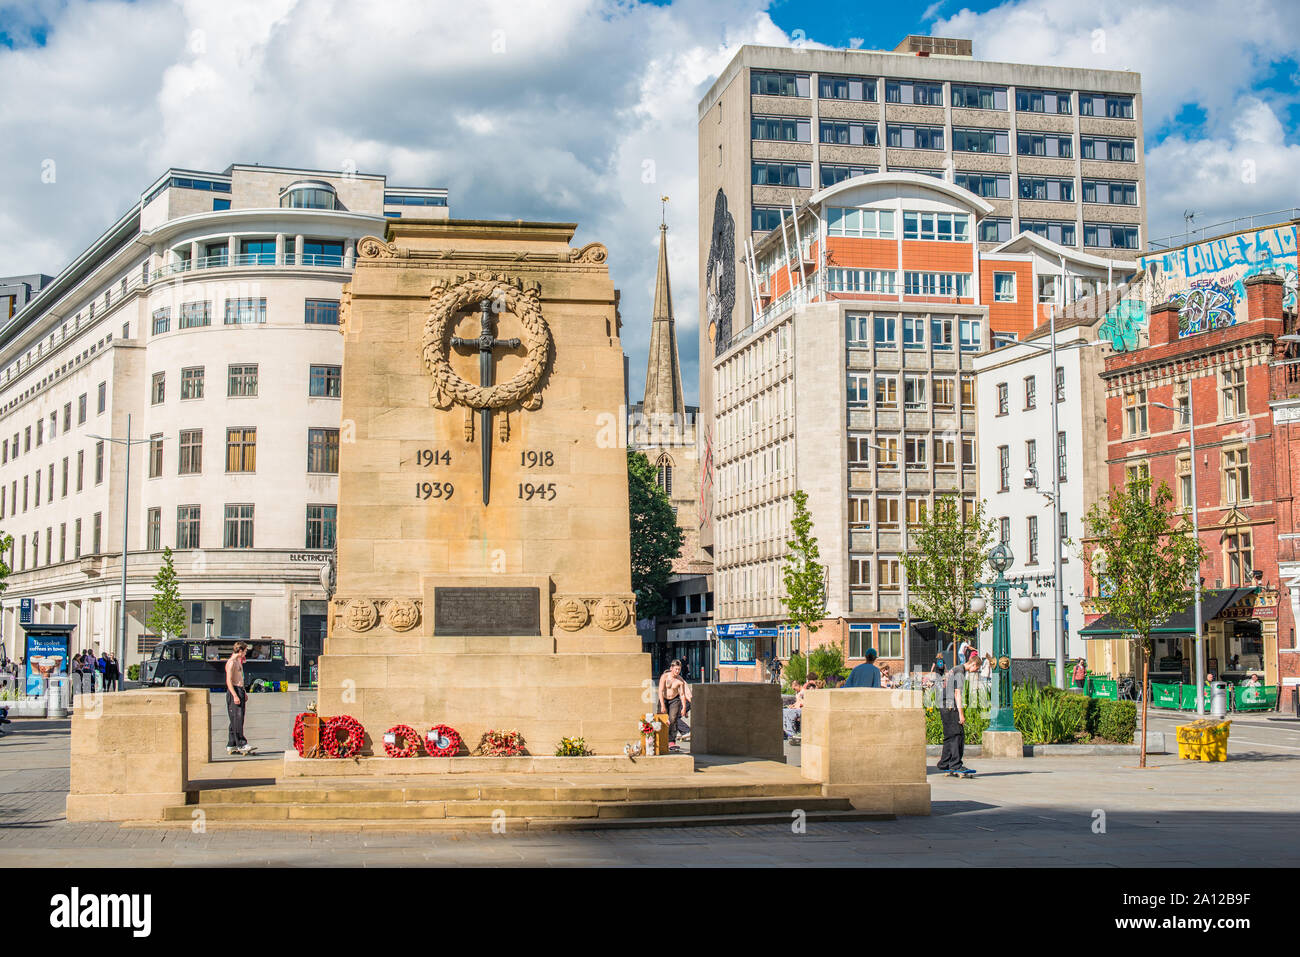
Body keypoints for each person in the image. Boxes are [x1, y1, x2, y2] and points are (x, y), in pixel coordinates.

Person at [934, 659, 973, 776]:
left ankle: (945, 763)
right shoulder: (960, 672)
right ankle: (956, 764)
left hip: (943, 704)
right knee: (957, 734)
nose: (976, 671)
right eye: (977, 668)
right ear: (973, 664)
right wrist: (961, 713)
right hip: (951, 706)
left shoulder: (954, 669)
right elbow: (957, 693)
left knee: (949, 735)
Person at [225, 641, 256, 756]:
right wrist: (235, 695)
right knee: (237, 718)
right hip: (234, 690)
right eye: (245, 651)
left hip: (239, 690)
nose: (246, 653)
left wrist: (244, 692)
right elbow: (229, 680)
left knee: (237, 718)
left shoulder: (238, 661)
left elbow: (239, 678)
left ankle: (231, 743)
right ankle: (241, 743)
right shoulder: (231, 663)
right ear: (240, 651)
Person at [657, 659, 692, 748]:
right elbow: (660, 691)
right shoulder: (664, 676)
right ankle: (660, 739)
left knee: (673, 719)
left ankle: (671, 741)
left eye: (679, 669)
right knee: (661, 718)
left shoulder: (680, 680)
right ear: (671, 668)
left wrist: (684, 707)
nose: (677, 671)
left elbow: (682, 695)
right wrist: (662, 705)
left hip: (674, 700)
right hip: (664, 698)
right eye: (676, 669)